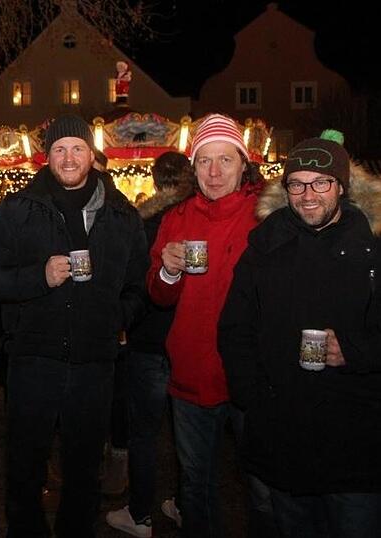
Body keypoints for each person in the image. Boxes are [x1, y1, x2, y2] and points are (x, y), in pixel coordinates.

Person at [0, 114, 148, 536]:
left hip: (94, 363)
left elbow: (138, 287)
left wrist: (116, 318)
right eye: (59, 149)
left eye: (77, 148)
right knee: (25, 469)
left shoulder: (121, 215)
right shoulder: (18, 209)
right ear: (47, 156)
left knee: (85, 471)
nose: (69, 158)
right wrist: (38, 277)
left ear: (92, 154)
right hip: (34, 360)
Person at [219, 131, 381, 538]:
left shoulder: (372, 249)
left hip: (355, 444)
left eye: (321, 183)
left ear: (341, 187)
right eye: (297, 184)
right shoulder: (264, 246)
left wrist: (355, 352)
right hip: (284, 439)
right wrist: (255, 399)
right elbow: (235, 329)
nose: (308, 195)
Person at [145, 113, 271, 538]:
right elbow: (159, 296)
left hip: (253, 377)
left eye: (225, 161)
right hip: (193, 372)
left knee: (264, 488)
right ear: (193, 166)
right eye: (204, 161)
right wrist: (167, 270)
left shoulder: (267, 217)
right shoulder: (176, 218)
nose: (214, 173)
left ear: (243, 164)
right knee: (195, 486)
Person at [106, 151, 195, 537]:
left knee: (143, 432)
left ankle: (140, 513)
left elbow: (134, 281)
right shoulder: (197, 218)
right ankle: (184, 505)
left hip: (148, 340)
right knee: (187, 434)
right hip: (186, 337)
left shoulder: (143, 222)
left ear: (157, 181)